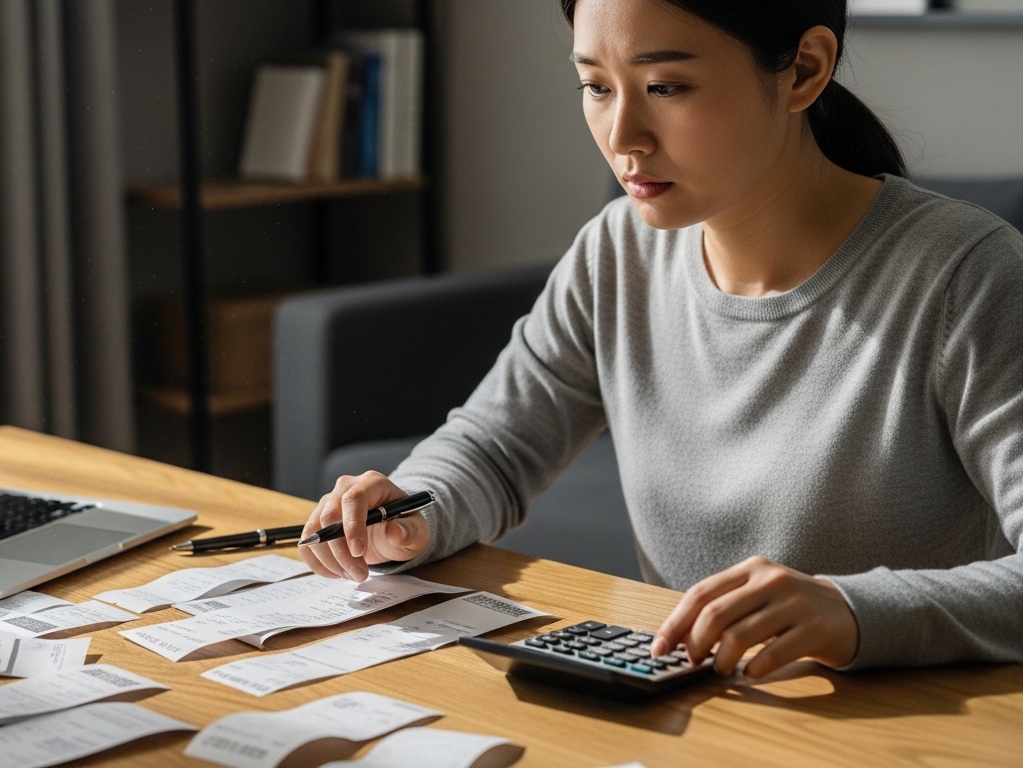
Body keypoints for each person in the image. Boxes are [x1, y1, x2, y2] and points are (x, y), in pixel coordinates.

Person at [299, 0, 1023, 680]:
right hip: (689, 713)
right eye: (596, 86)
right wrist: (414, 515)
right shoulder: (617, 254)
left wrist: (857, 613)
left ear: (804, 69)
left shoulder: (966, 274)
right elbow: (494, 448)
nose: (622, 139)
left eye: (666, 86)